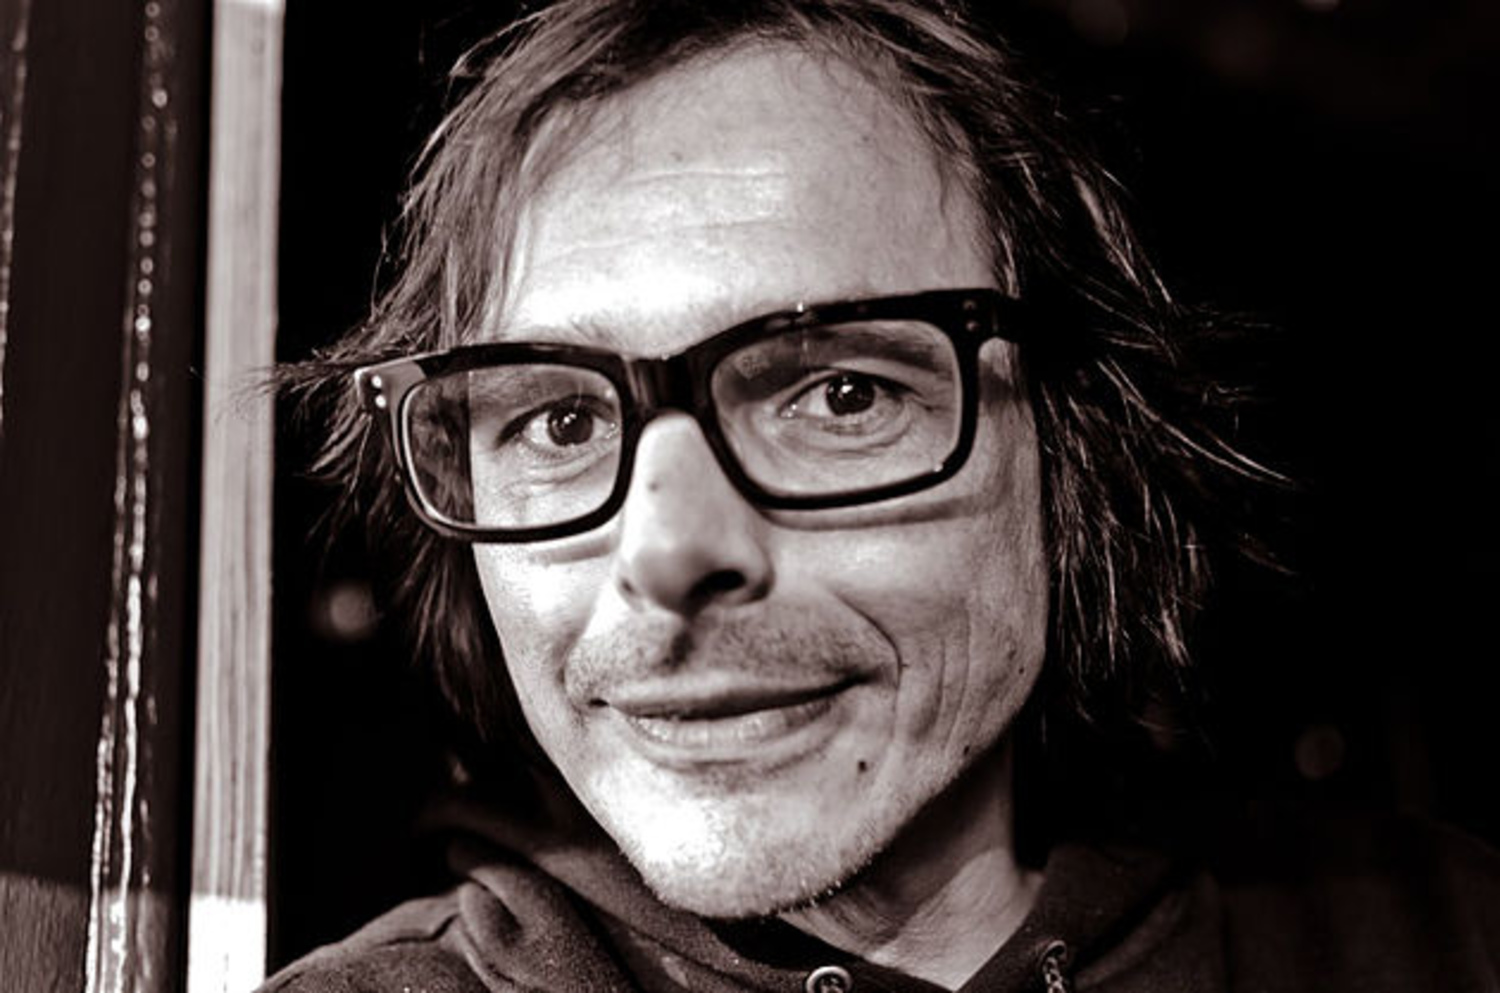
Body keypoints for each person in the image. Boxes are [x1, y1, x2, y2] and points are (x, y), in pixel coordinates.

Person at [264, 1, 1499, 990]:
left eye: (842, 395)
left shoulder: (1444, 937)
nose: (669, 551)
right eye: (562, 422)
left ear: (1074, 446)